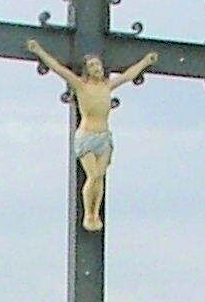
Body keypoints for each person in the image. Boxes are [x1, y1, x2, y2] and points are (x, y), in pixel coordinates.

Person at [26, 40, 158, 230]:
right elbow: (57, 68)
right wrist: (39, 50)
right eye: (93, 65)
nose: (97, 68)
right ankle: (88, 214)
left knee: (100, 176)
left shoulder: (107, 86)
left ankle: (96, 213)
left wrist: (145, 62)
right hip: (87, 136)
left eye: (98, 64)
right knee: (94, 175)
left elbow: (128, 75)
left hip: (104, 137)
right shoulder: (81, 86)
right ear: (87, 70)